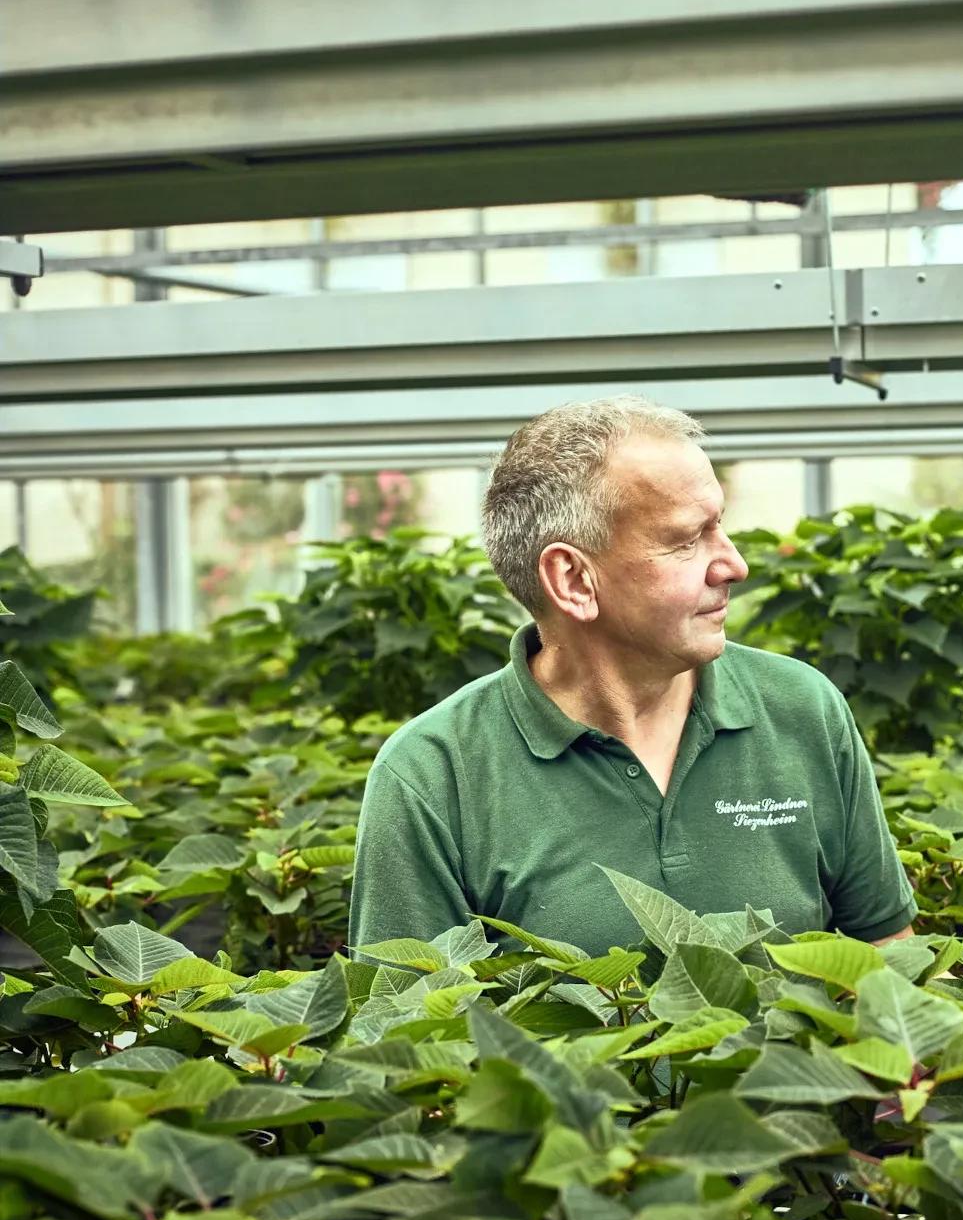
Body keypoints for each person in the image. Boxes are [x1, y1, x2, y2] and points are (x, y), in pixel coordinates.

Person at [349, 396, 916, 957]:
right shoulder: (432, 775)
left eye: (720, 526)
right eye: (686, 541)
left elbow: (897, 963)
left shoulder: (802, 708)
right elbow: (408, 1028)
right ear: (573, 579)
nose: (734, 565)